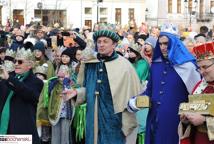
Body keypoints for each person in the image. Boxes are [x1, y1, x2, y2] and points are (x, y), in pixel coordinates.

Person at [128, 23, 201, 144]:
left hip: (175, 122)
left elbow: (197, 97)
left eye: (166, 43)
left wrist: (189, 116)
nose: (162, 47)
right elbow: (149, 91)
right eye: (160, 44)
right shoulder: (156, 65)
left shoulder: (188, 67)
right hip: (153, 119)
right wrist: (136, 101)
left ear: (175, 43)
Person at [68, 24, 142, 144]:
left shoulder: (125, 66)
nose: (101, 44)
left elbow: (133, 94)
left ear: (114, 44)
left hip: (114, 120)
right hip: (92, 117)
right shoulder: (90, 63)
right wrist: (76, 92)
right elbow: (86, 89)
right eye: (99, 41)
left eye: (105, 42)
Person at [0, 47, 44, 144]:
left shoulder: (36, 82)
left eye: (20, 62)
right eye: (15, 61)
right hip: (5, 129)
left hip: (22, 131)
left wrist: (9, 79)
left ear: (30, 65)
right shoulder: (8, 79)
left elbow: (29, 94)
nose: (16, 64)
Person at [179, 41, 214, 144]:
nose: (202, 72)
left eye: (205, 67)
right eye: (199, 68)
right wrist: (186, 120)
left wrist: (205, 120)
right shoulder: (200, 86)